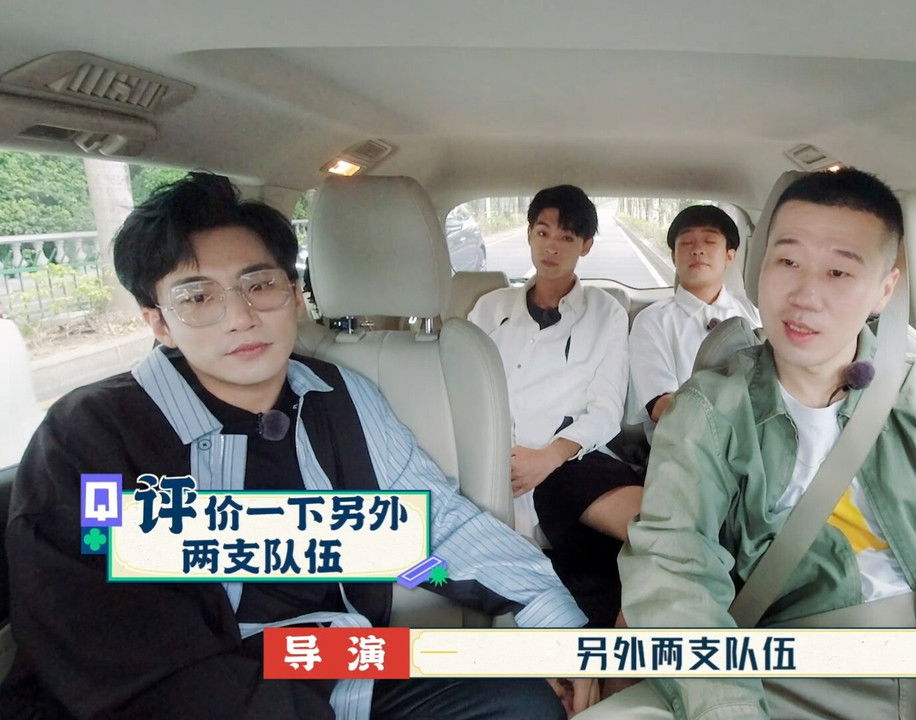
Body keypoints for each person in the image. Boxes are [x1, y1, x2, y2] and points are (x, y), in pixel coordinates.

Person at [1, 172, 593, 720]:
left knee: (523, 704)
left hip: (335, 665)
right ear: (159, 321)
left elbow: (431, 530)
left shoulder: (339, 395)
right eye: (198, 297)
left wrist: (556, 624)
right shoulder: (92, 437)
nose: (240, 317)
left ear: (293, 292)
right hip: (183, 692)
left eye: (258, 285)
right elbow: (109, 644)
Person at [616, 169, 916, 719]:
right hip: (783, 670)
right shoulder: (706, 412)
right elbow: (675, 567)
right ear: (759, 268)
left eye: (839, 271)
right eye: (787, 262)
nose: (805, 296)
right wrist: (728, 706)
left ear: (884, 290)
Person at [467, 185, 642, 627]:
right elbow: (462, 394)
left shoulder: (606, 313)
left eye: (566, 237)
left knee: (660, 535)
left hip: (573, 459)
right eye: (543, 232)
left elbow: (606, 409)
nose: (551, 247)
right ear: (529, 234)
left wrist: (549, 457)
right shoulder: (489, 309)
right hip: (494, 462)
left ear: (586, 246)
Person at [627, 205, 759, 441]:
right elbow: (660, 405)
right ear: (673, 257)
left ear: (730, 255)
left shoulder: (753, 316)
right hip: (682, 449)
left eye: (710, 241)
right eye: (686, 243)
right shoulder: (652, 321)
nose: (697, 250)